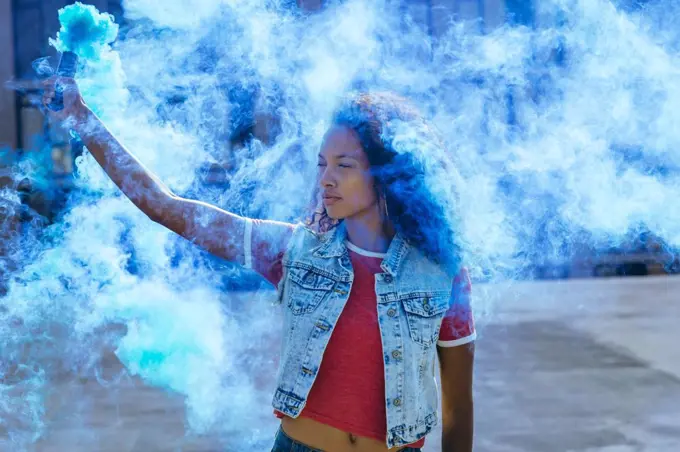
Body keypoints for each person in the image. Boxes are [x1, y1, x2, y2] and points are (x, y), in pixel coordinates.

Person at [42, 77, 476, 452]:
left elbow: (458, 409)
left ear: (387, 174)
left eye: (344, 166)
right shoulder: (293, 250)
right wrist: (81, 117)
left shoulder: (442, 274)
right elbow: (165, 206)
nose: (326, 178)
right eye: (322, 163)